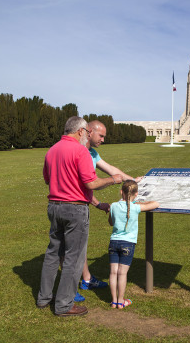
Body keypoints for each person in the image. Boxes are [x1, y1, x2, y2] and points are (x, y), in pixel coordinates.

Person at [36, 116, 123, 317]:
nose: (88, 136)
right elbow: (91, 183)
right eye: (87, 132)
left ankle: (44, 298)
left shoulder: (52, 150)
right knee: (74, 258)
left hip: (54, 207)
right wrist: (113, 179)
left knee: (52, 254)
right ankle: (64, 305)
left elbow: (47, 179)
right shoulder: (80, 150)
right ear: (80, 131)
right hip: (74, 209)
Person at [78, 120, 143, 295]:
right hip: (74, 205)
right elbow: (83, 185)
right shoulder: (78, 153)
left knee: (80, 246)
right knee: (73, 248)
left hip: (82, 204)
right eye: (101, 136)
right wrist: (99, 204)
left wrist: (132, 181)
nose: (103, 140)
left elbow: (111, 169)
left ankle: (86, 279)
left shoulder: (92, 153)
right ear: (89, 132)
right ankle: (69, 289)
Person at [108, 180, 159, 309]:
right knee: (122, 274)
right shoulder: (136, 208)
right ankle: (121, 301)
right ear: (136, 194)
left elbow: (111, 222)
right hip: (128, 243)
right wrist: (138, 202)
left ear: (121, 192)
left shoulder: (113, 205)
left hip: (114, 242)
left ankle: (113, 301)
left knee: (113, 273)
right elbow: (155, 203)